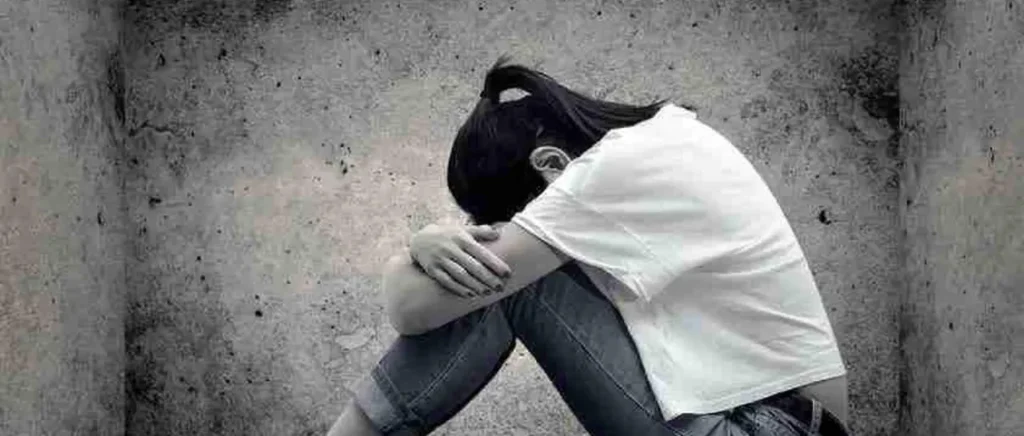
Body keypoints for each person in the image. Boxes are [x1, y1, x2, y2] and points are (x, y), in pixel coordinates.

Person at [327, 56, 851, 436]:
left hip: (767, 426)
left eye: (517, 218)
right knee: (490, 273)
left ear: (551, 165)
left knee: (503, 282)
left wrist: (414, 252)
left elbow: (412, 309)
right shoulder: (666, 137)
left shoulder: (609, 171)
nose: (515, 230)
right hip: (770, 419)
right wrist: (422, 244)